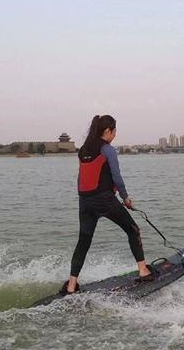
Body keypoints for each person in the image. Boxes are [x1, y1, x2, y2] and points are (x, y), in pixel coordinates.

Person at [63, 114, 154, 294]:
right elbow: (117, 178)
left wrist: (87, 199)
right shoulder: (108, 150)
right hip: (104, 200)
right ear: (107, 130)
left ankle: (72, 285)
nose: (115, 134)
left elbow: (82, 178)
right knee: (133, 229)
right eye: (114, 131)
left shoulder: (83, 150)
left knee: (83, 242)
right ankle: (143, 270)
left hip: (85, 202)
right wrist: (126, 198)